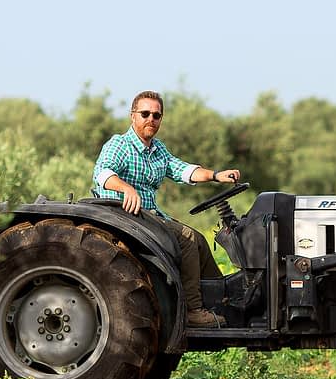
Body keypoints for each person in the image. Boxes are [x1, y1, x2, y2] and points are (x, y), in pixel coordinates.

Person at [93, 90, 241, 328]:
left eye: (156, 115)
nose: (151, 119)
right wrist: (126, 188)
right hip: (124, 216)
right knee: (187, 239)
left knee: (200, 241)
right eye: (145, 114)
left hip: (148, 216)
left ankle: (223, 301)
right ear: (133, 116)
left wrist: (215, 175)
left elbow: (183, 170)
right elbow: (102, 173)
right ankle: (193, 311)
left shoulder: (157, 150)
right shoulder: (119, 144)